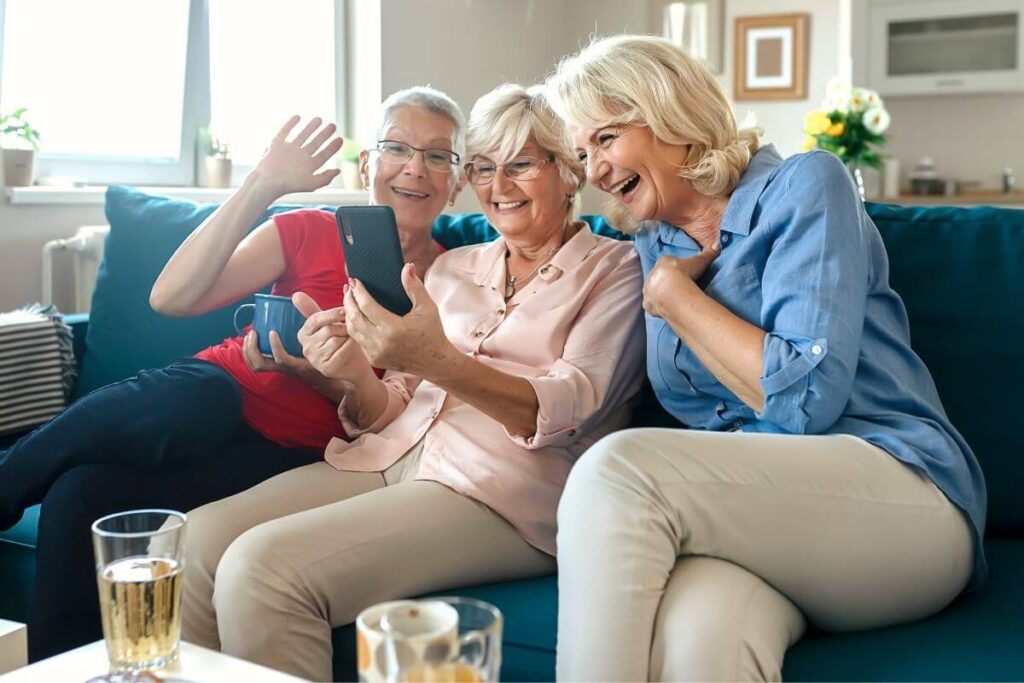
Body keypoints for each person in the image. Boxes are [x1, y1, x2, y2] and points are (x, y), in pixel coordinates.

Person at [544, 35, 987, 682]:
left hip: (903, 492)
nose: (595, 169)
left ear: (670, 113)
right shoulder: (651, 244)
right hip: (772, 519)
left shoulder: (805, 184)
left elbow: (806, 402)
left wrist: (675, 297)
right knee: (702, 635)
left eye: (605, 140)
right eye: (583, 154)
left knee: (617, 470)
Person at [176, 83, 645, 681]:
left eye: (521, 165)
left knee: (262, 568)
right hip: (389, 459)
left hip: (502, 492)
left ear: (569, 169)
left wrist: (439, 361)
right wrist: (347, 374)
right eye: (482, 168)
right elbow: (389, 407)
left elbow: (567, 408)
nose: (498, 187)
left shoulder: (615, 272)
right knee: (196, 542)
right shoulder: (452, 267)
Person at [0, 85, 466, 660]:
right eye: (397, 148)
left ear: (457, 180)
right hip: (220, 388)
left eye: (437, 155)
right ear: (368, 163)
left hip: (297, 455)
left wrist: (323, 377)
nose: (415, 169)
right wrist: (263, 183)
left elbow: (404, 424)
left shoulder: (456, 282)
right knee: (161, 429)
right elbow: (171, 298)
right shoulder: (307, 228)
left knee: (83, 491)